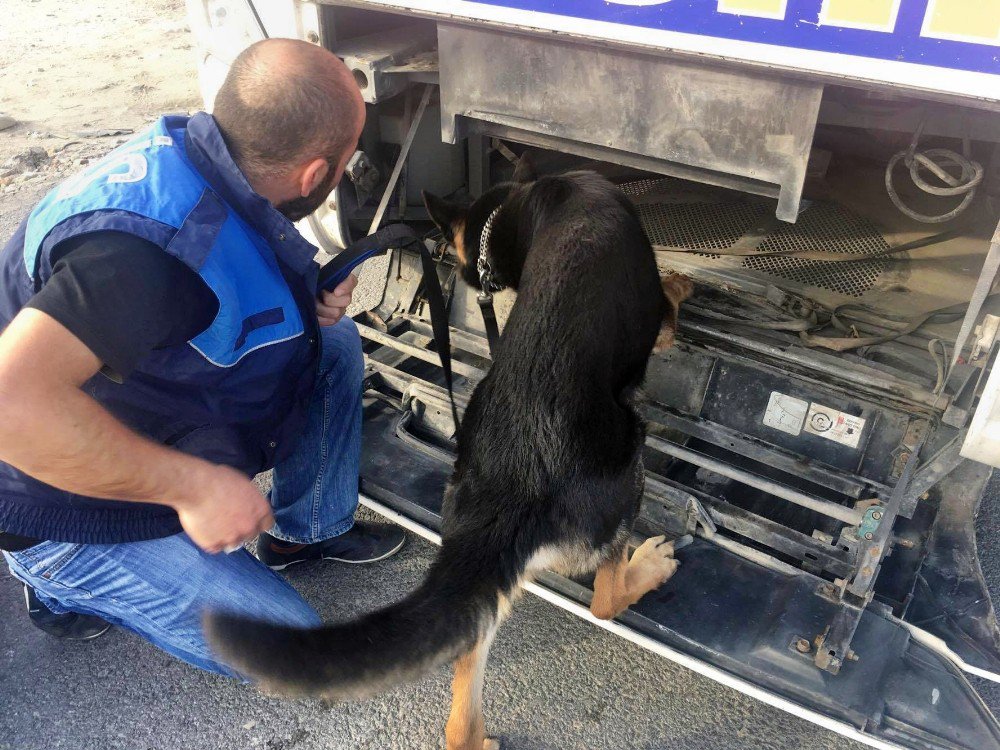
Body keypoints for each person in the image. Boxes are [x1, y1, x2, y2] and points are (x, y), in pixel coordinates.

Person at [0, 38, 405, 676]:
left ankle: (307, 532)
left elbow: (216, 287)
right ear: (315, 175)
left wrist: (309, 300)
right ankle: (52, 579)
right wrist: (192, 487)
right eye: (346, 163)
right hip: (48, 492)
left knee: (333, 346)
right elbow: (9, 405)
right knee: (298, 652)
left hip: (125, 402)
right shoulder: (144, 257)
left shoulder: (211, 158)